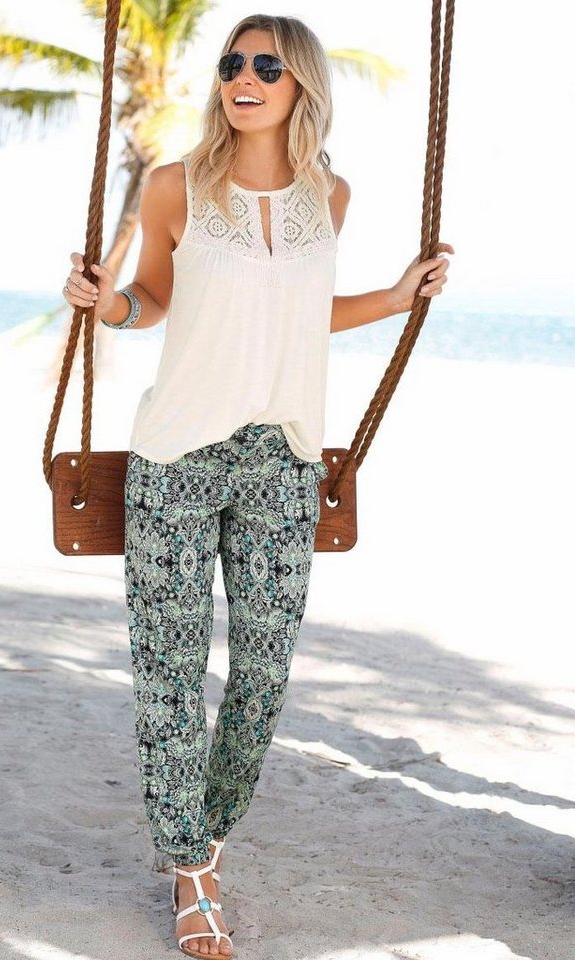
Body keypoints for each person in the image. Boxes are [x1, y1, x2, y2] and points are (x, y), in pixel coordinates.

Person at [62, 13, 454, 959]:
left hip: (283, 457)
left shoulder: (331, 195)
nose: (244, 76)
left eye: (267, 65)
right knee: (168, 671)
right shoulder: (175, 186)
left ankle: (206, 833)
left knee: (265, 671)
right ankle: (191, 872)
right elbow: (155, 298)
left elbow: (300, 312)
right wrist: (107, 305)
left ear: (300, 84)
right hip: (178, 453)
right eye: (233, 62)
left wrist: (398, 296)